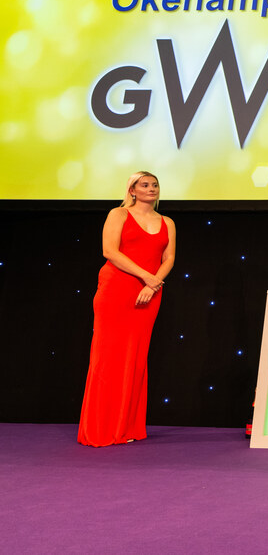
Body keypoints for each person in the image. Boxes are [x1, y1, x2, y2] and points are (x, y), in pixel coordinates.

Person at [78, 171, 176, 447]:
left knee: (135, 357)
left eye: (155, 185)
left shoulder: (167, 222)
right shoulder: (119, 214)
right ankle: (101, 427)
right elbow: (109, 251)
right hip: (117, 289)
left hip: (150, 292)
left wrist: (152, 285)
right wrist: (147, 277)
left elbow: (169, 258)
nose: (151, 189)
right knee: (108, 356)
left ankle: (126, 426)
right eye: (144, 185)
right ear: (132, 190)